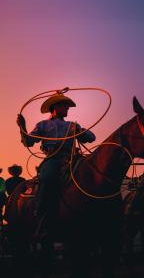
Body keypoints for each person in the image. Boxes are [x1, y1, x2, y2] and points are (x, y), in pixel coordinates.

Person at [16, 93, 96, 232]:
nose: (67, 108)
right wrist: (22, 126)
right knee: (47, 177)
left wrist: (80, 131)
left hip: (72, 158)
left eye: (67, 106)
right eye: (64, 105)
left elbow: (91, 138)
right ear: (55, 107)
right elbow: (28, 141)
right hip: (53, 159)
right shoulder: (42, 125)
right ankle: (40, 213)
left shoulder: (72, 125)